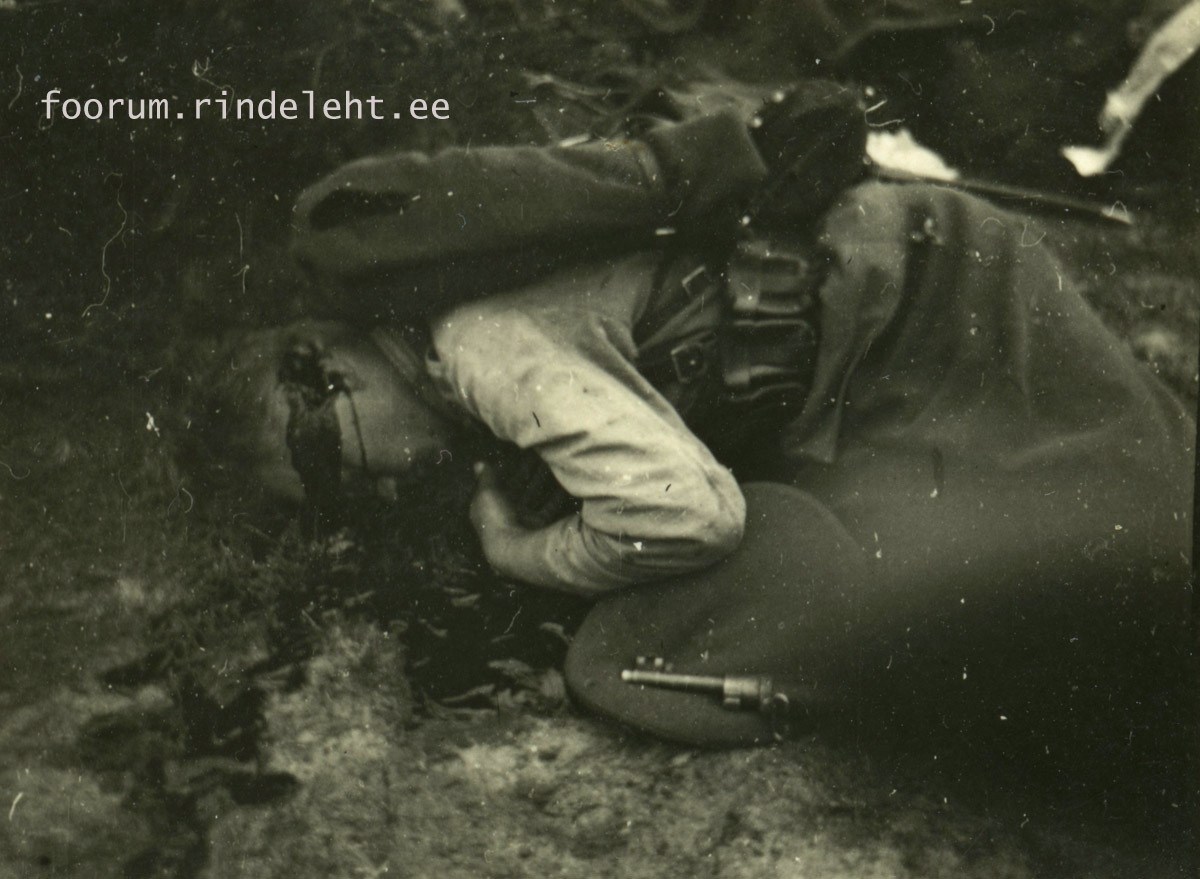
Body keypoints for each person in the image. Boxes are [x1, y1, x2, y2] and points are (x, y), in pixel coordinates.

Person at [215, 92, 1195, 768]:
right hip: (886, 317)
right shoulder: (448, 329)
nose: (374, 489)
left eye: (328, 461)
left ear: (324, 367)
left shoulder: (480, 349)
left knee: (1139, 550)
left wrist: (522, 555)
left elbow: (686, 517)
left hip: (928, 307)